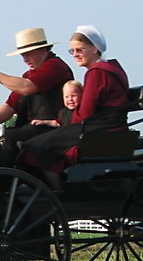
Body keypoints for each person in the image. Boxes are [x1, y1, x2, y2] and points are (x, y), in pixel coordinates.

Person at [16, 25, 129, 189]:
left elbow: (85, 114)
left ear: (94, 48)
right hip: (108, 126)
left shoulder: (97, 73)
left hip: (99, 129)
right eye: (72, 51)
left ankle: (57, 193)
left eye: (79, 50)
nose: (75, 55)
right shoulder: (112, 68)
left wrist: (61, 117)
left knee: (31, 148)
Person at [0, 27, 73, 167]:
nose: (25, 59)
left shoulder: (55, 66)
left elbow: (26, 87)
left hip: (52, 128)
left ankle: (2, 182)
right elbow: (11, 105)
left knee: (7, 139)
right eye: (23, 55)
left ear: (43, 50)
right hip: (35, 129)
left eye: (28, 54)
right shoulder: (29, 75)